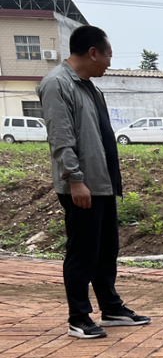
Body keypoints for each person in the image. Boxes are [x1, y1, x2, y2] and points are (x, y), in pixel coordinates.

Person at [38, 25, 150, 339]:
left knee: (105, 249)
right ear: (92, 52)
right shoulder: (58, 84)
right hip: (81, 185)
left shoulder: (90, 88)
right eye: (108, 55)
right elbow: (61, 139)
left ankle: (111, 307)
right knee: (83, 252)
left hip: (102, 183)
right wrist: (75, 180)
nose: (109, 63)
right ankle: (78, 317)